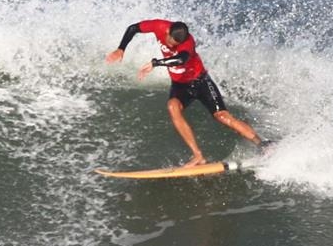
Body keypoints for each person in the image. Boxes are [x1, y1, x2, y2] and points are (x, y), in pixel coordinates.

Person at [106, 19, 266, 167]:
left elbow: (181, 59)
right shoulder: (159, 26)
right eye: (171, 43)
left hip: (201, 82)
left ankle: (263, 145)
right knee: (172, 106)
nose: (172, 47)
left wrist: (155, 63)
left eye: (176, 45)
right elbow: (133, 28)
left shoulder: (188, 42)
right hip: (180, 85)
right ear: (167, 32)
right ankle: (198, 156)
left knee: (222, 117)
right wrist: (121, 49)